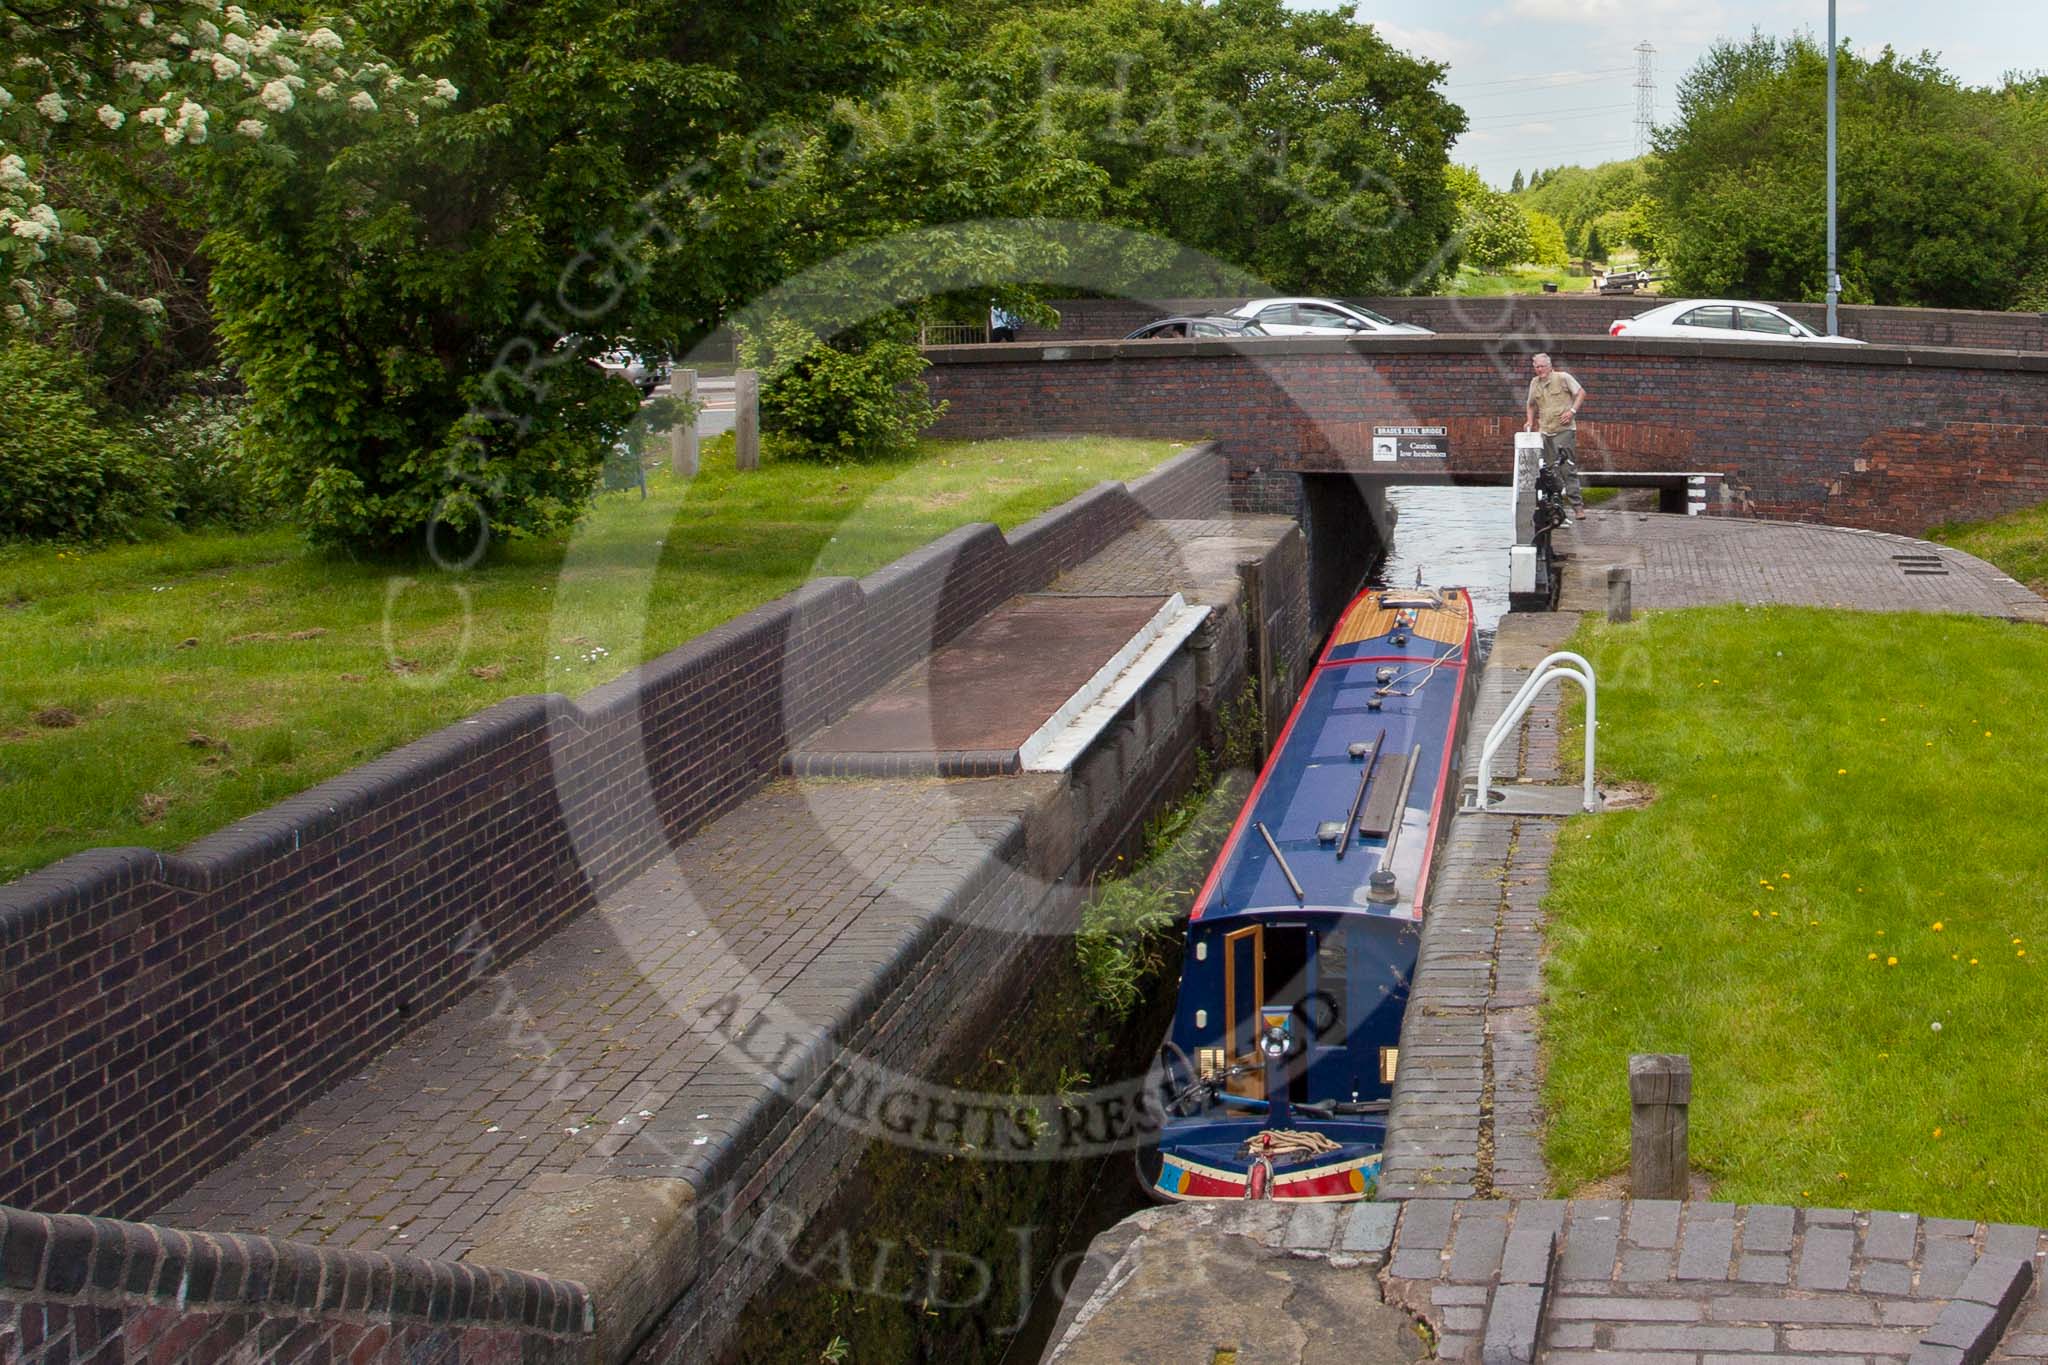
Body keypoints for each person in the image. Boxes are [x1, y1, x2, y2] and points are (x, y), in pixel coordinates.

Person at [1524, 352, 1586, 512]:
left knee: (1567, 467)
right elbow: (1531, 404)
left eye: (1542, 366)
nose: (1540, 369)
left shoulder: (1563, 377)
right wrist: (1530, 421)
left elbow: (1580, 393)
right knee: (1549, 471)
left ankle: (1577, 506)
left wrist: (1572, 411)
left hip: (1564, 430)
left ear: (1550, 366)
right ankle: (1555, 509)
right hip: (1546, 431)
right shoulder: (1534, 383)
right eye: (1537, 367)